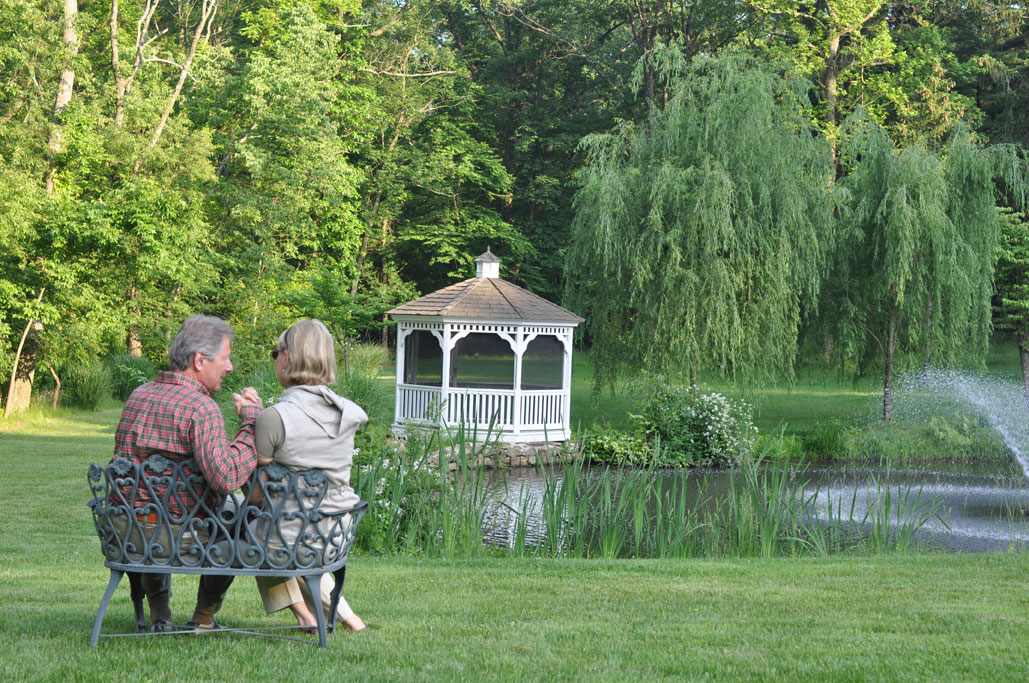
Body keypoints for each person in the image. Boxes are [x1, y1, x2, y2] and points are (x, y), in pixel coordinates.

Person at [110, 314, 262, 632]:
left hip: (125, 532)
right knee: (243, 517)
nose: (230, 366)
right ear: (199, 360)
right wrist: (250, 422)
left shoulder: (138, 396)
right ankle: (204, 616)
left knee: (154, 505)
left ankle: (160, 613)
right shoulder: (200, 408)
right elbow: (227, 477)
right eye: (225, 358)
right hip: (176, 538)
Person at [252, 318, 368, 633]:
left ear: (288, 358)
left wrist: (253, 419)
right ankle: (348, 619)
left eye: (276, 353)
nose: (275, 359)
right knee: (285, 527)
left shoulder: (272, 418)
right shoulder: (347, 412)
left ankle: (305, 615)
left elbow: (256, 495)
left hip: (292, 538)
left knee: (250, 526)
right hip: (337, 534)